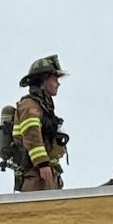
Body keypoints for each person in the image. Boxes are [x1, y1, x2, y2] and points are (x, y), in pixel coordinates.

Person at [11, 56, 68, 193]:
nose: (58, 84)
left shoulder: (44, 108)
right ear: (43, 80)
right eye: (55, 79)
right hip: (37, 175)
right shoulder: (30, 105)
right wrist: (42, 163)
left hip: (48, 174)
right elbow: (32, 135)